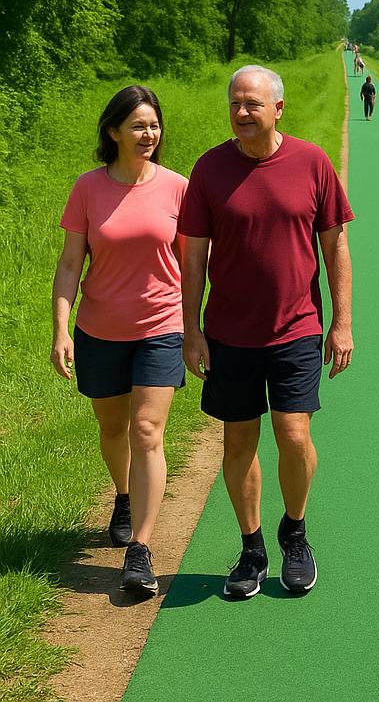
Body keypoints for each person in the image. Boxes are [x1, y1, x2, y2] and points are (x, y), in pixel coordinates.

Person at [179, 65, 355, 599]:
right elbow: (193, 258)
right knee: (238, 440)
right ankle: (252, 547)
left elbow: (335, 248)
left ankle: (294, 534)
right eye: (235, 103)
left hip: (296, 326)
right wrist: (191, 329)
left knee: (294, 436)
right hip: (229, 332)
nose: (242, 112)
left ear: (278, 108)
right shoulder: (209, 169)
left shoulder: (311, 162)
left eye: (252, 103)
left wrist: (342, 323)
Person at [51, 86, 189, 597]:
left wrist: (197, 327)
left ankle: (141, 549)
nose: (149, 134)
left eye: (154, 125)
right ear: (114, 131)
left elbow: (193, 264)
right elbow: (71, 264)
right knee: (113, 428)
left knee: (146, 430)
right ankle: (124, 495)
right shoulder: (88, 188)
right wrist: (61, 329)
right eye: (138, 126)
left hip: (161, 326)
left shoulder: (177, 188)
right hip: (99, 330)